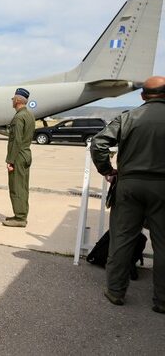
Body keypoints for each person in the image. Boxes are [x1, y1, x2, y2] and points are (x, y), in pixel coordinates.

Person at [91, 76, 165, 314]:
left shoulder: (128, 117)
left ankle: (115, 292)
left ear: (143, 96)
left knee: (122, 240)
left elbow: (98, 143)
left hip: (129, 185)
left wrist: (107, 170)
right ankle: (161, 300)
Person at [3, 88, 35, 227]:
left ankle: (20, 218)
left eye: (12, 99)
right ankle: (20, 214)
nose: (12, 101)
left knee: (16, 187)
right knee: (23, 186)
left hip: (18, 156)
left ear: (17, 100)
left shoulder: (18, 117)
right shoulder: (29, 115)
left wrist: (10, 160)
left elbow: (16, 140)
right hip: (26, 153)